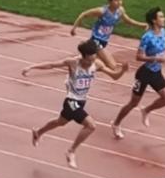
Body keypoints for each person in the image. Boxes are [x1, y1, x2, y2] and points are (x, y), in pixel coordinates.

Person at [22, 39, 128, 169]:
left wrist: (123, 71)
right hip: (71, 101)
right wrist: (31, 67)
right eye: (91, 57)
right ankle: (71, 151)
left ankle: (38, 132)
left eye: (95, 56)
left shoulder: (97, 64)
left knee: (60, 122)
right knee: (91, 126)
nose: (93, 59)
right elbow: (51, 65)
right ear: (84, 56)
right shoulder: (73, 63)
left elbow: (114, 76)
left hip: (81, 101)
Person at [110, 7, 165, 139]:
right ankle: (116, 123)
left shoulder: (163, 31)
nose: (164, 19)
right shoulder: (147, 37)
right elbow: (138, 57)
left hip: (156, 72)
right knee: (133, 103)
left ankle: (146, 110)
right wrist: (155, 58)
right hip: (144, 74)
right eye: (161, 17)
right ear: (154, 20)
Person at [70, 0, 147, 72]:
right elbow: (83, 14)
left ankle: (81, 64)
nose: (119, 3)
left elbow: (128, 20)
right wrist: (74, 28)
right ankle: (82, 66)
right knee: (112, 66)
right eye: (116, 0)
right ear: (109, 1)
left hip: (104, 41)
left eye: (120, 0)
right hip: (96, 41)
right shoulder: (102, 11)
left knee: (94, 62)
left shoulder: (120, 11)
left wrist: (142, 25)